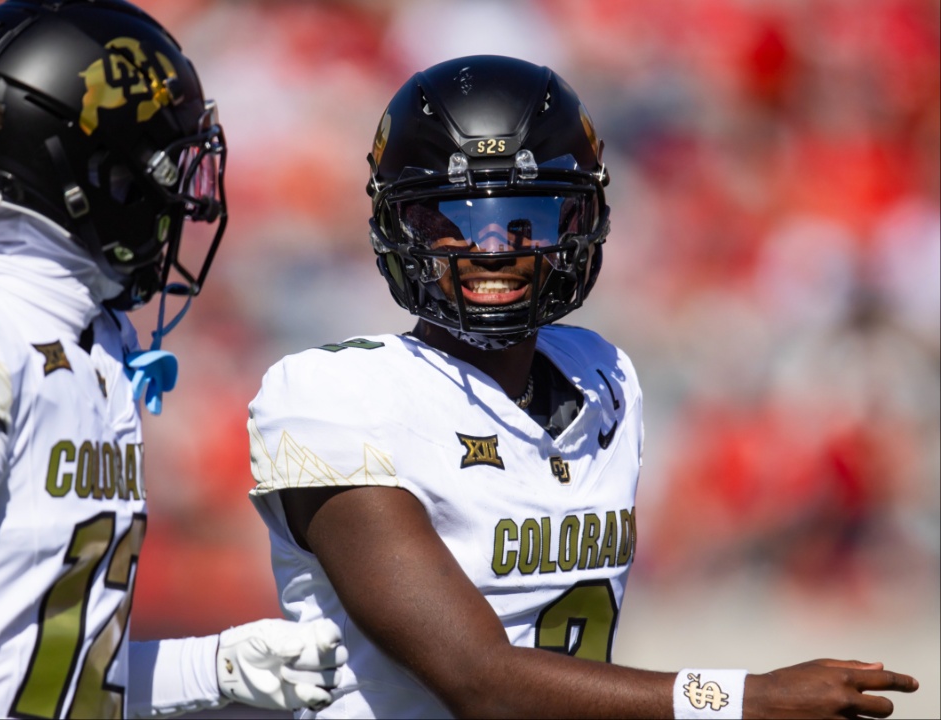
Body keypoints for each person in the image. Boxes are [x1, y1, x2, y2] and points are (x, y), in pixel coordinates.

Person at [245, 55, 919, 719]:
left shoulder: (602, 377)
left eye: (528, 216)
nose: (493, 246)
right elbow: (481, 682)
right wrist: (741, 699)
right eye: (453, 219)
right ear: (403, 226)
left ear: (578, 221)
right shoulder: (336, 396)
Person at [0, 2, 346, 718]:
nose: (181, 201)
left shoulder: (95, 351)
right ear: (91, 175)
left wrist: (214, 666)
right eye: (158, 169)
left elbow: (46, 676)